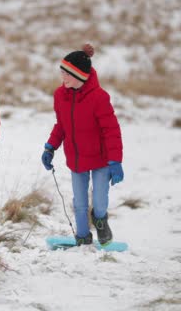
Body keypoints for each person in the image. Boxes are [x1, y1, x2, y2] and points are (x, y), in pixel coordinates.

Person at [41, 44, 124, 246]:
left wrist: (115, 160)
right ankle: (82, 237)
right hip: (76, 159)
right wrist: (50, 147)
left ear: (80, 76)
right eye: (61, 73)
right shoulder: (60, 96)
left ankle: (100, 219)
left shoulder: (99, 98)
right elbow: (61, 125)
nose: (63, 78)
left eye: (66, 74)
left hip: (101, 159)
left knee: (99, 200)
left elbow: (111, 131)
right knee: (79, 203)